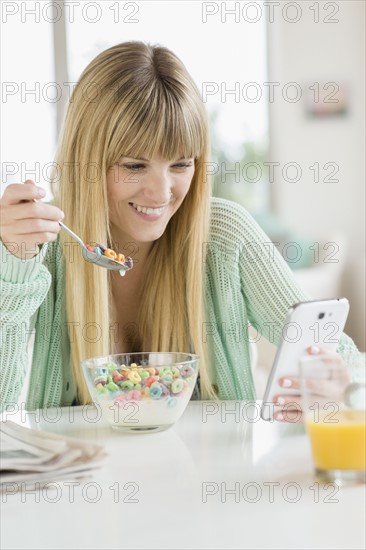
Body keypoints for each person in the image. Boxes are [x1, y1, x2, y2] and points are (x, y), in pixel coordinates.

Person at [0, 41, 359, 416]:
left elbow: (346, 360)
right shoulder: (45, 248)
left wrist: (339, 385)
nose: (162, 193)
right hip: (81, 476)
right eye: (135, 166)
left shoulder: (224, 235)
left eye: (181, 164)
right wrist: (13, 266)